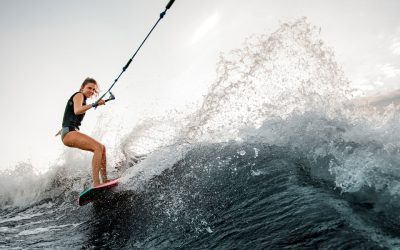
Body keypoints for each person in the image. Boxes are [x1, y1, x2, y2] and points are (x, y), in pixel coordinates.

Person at [58, 77, 108, 187]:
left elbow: (70, 114)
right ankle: (96, 183)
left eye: (94, 90)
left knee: (102, 148)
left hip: (68, 133)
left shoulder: (82, 99)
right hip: (69, 133)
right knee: (98, 147)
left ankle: (105, 181)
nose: (92, 91)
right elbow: (77, 110)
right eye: (89, 88)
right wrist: (95, 104)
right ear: (82, 87)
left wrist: (62, 129)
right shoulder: (79, 95)